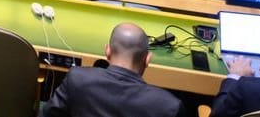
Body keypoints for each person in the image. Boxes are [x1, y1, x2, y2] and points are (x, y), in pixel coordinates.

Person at [42, 23, 189, 117]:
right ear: (147, 59)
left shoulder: (77, 78)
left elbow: (49, 114)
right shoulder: (169, 107)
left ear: (107, 51)